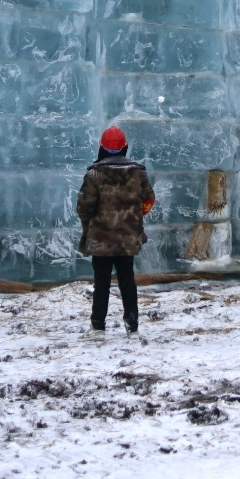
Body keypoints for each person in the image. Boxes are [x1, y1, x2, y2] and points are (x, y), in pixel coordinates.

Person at [75, 126, 153, 334]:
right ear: (124, 147)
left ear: (101, 148)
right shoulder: (138, 173)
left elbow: (84, 207)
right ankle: (132, 322)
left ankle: (98, 323)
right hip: (128, 238)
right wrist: (133, 218)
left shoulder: (94, 175)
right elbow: (148, 200)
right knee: (127, 279)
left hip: (101, 239)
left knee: (101, 282)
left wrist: (91, 224)